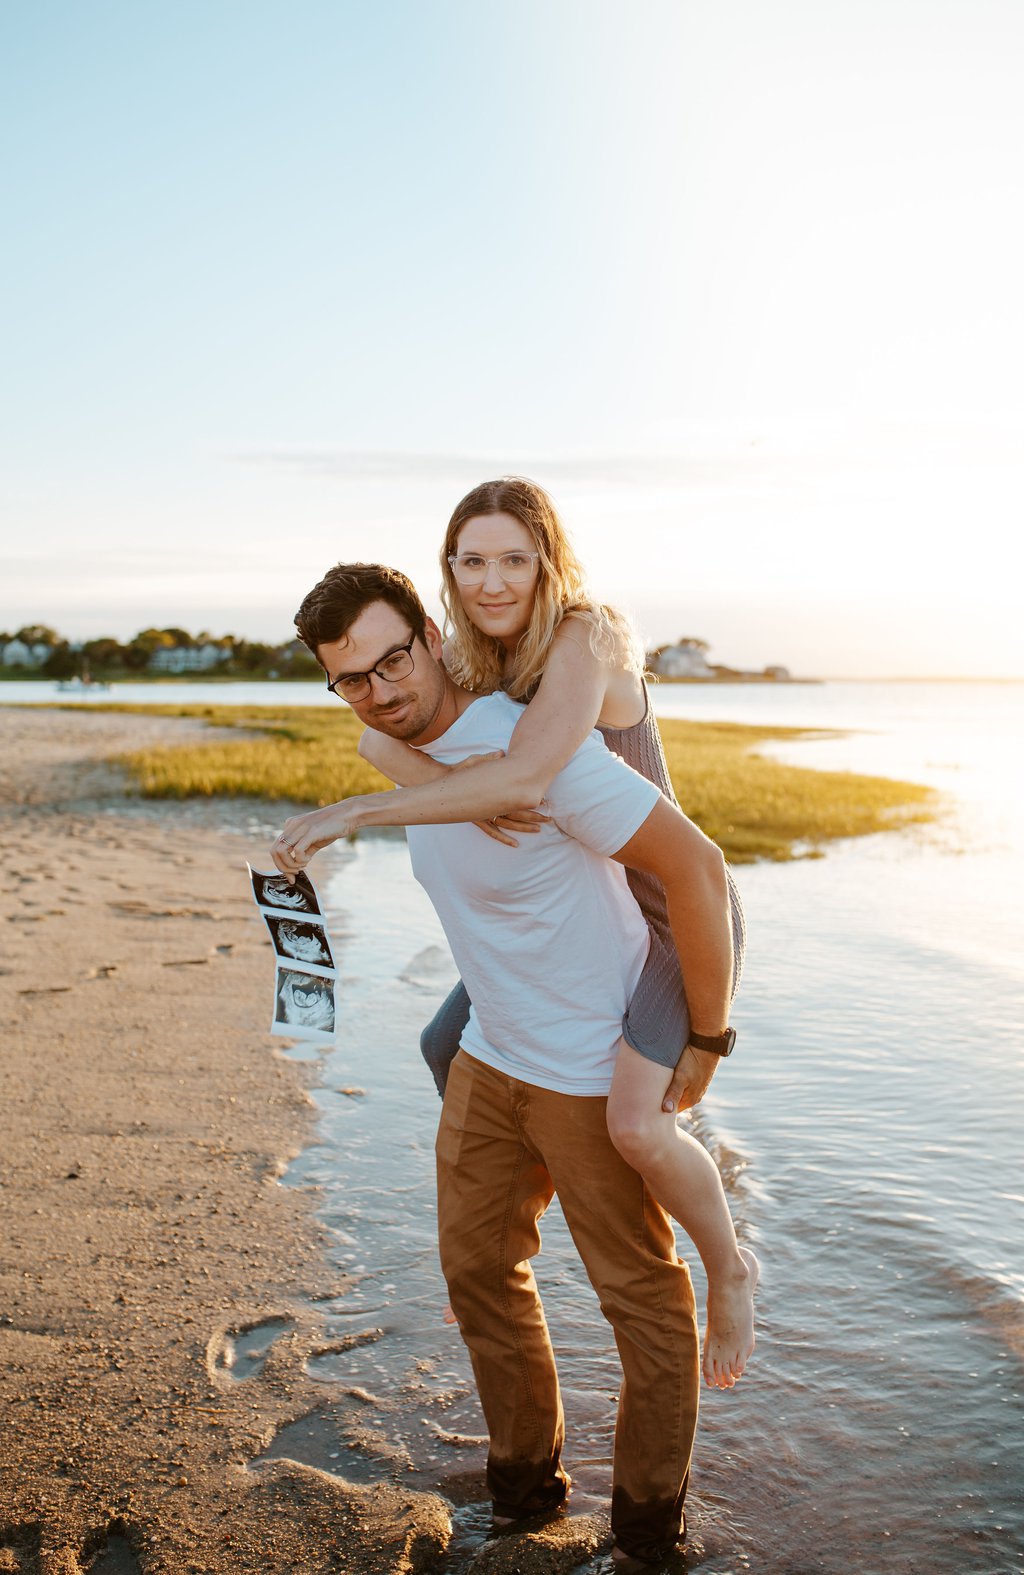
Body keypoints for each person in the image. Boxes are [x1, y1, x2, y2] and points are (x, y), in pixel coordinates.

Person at [272, 564, 752, 1570]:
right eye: (351, 679)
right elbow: (407, 763)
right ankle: (525, 1494)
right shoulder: (411, 752)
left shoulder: (538, 752)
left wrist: (703, 1034)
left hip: (588, 1070)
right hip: (490, 1057)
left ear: (435, 640)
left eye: (393, 659)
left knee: (643, 1305)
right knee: (478, 1271)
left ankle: (646, 1533)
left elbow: (696, 867)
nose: (381, 691)